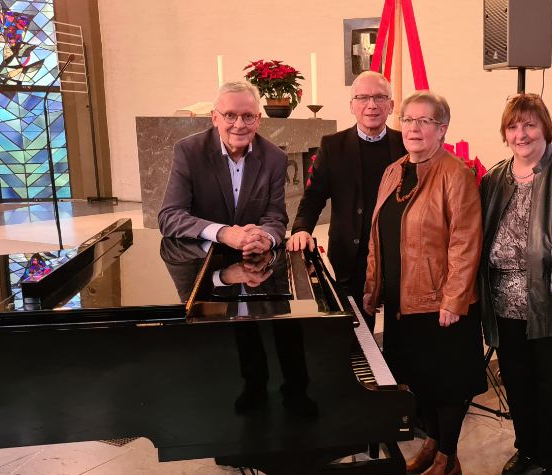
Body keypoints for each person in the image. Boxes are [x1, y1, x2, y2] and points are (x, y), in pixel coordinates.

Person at [158, 80, 316, 417]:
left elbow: (276, 215)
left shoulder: (273, 156)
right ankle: (242, 395)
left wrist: (267, 236)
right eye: (230, 115)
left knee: (283, 323)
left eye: (247, 116)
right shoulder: (189, 151)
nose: (239, 124)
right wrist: (223, 233)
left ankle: (292, 396)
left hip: (255, 261)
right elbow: (169, 217)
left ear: (258, 119)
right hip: (201, 265)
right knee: (227, 343)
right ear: (214, 117)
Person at [363, 91, 484, 475]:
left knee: (447, 382)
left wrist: (454, 299)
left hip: (440, 303)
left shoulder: (456, 173)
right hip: (402, 299)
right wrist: (373, 288)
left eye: (424, 121)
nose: (413, 129)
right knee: (417, 378)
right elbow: (379, 237)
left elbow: (465, 241)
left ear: (442, 129)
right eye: (408, 120)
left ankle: (449, 458)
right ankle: (432, 443)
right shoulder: (394, 171)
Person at [478, 94, 552, 475]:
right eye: (513, 127)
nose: (521, 134)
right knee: (519, 383)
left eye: (529, 125)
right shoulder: (495, 178)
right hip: (504, 301)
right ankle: (527, 450)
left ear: (545, 127)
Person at [287, 72, 406, 330]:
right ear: (351, 105)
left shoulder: (405, 144)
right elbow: (314, 196)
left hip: (398, 258)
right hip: (352, 259)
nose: (371, 105)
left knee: (401, 338)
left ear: (391, 105)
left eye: (379, 97)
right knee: (354, 336)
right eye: (362, 97)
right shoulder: (333, 146)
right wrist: (301, 229)